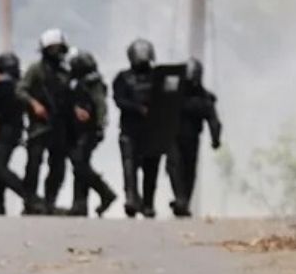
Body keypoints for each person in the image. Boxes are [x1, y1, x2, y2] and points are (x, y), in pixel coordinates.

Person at [18, 29, 71, 214]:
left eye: (59, 49)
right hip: (39, 125)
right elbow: (21, 90)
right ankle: (30, 201)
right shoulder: (36, 69)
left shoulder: (65, 72)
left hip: (59, 125)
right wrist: (34, 104)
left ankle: (50, 202)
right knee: (33, 165)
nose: (57, 53)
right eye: (52, 49)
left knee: (58, 167)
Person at [0, 52, 38, 215]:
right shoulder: (18, 85)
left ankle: (29, 197)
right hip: (14, 130)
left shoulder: (3, 85)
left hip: (4, 130)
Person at [167, 58, 222, 217]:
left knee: (189, 171)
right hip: (173, 137)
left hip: (191, 139)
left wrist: (215, 137)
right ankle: (180, 199)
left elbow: (213, 119)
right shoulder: (172, 92)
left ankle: (184, 202)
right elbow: (159, 106)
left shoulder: (204, 97)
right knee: (174, 166)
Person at [112, 39, 161, 218]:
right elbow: (119, 100)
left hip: (152, 130)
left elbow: (168, 97)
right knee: (129, 165)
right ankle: (131, 199)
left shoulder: (158, 76)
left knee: (151, 167)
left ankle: (148, 203)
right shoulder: (123, 78)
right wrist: (139, 109)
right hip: (130, 130)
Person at [66, 50, 117, 217]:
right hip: (79, 130)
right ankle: (80, 204)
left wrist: (100, 125)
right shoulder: (79, 83)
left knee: (80, 163)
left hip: (89, 130)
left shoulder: (93, 83)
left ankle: (105, 193)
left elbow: (100, 105)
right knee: (79, 165)